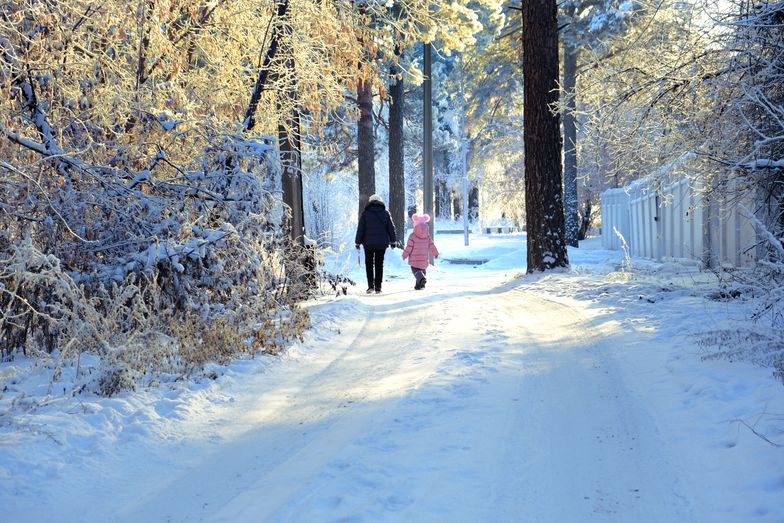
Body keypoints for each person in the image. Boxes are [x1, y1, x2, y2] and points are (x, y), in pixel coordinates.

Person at [355, 194, 397, 294]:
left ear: (370, 202)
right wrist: (393, 241)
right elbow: (391, 228)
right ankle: (378, 287)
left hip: (368, 243)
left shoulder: (365, 213)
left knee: (369, 264)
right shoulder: (385, 213)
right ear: (380, 202)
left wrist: (357, 242)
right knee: (379, 264)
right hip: (381, 243)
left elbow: (360, 229)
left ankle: (370, 286)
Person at [402, 213, 439, 290]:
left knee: (416, 270)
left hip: (414, 260)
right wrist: (435, 253)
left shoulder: (412, 236)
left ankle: (422, 279)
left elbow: (409, 247)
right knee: (422, 270)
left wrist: (405, 255)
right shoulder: (427, 236)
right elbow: (431, 245)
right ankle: (420, 285)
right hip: (424, 259)